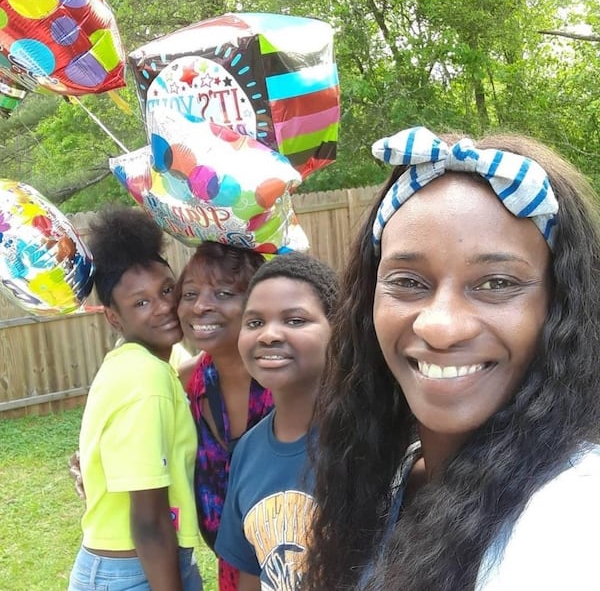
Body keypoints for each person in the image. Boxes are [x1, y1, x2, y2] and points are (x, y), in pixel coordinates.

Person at [303, 126, 600, 590]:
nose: (440, 326)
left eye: (497, 283)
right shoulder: (395, 478)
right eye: (408, 281)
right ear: (367, 302)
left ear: (560, 307)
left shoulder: (572, 513)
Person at [68, 207, 202, 591]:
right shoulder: (145, 378)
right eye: (141, 303)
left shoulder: (147, 361)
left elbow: (189, 369)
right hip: (136, 571)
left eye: (166, 290)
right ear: (114, 317)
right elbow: (149, 521)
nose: (162, 307)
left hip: (126, 565)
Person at [215, 252, 338, 591]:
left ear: (338, 331)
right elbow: (251, 573)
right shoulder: (247, 453)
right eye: (254, 322)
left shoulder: (372, 441)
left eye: (295, 320)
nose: (268, 335)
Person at [176, 241, 274, 591]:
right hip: (231, 569)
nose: (201, 306)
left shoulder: (289, 379)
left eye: (222, 293)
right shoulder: (187, 384)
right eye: (189, 293)